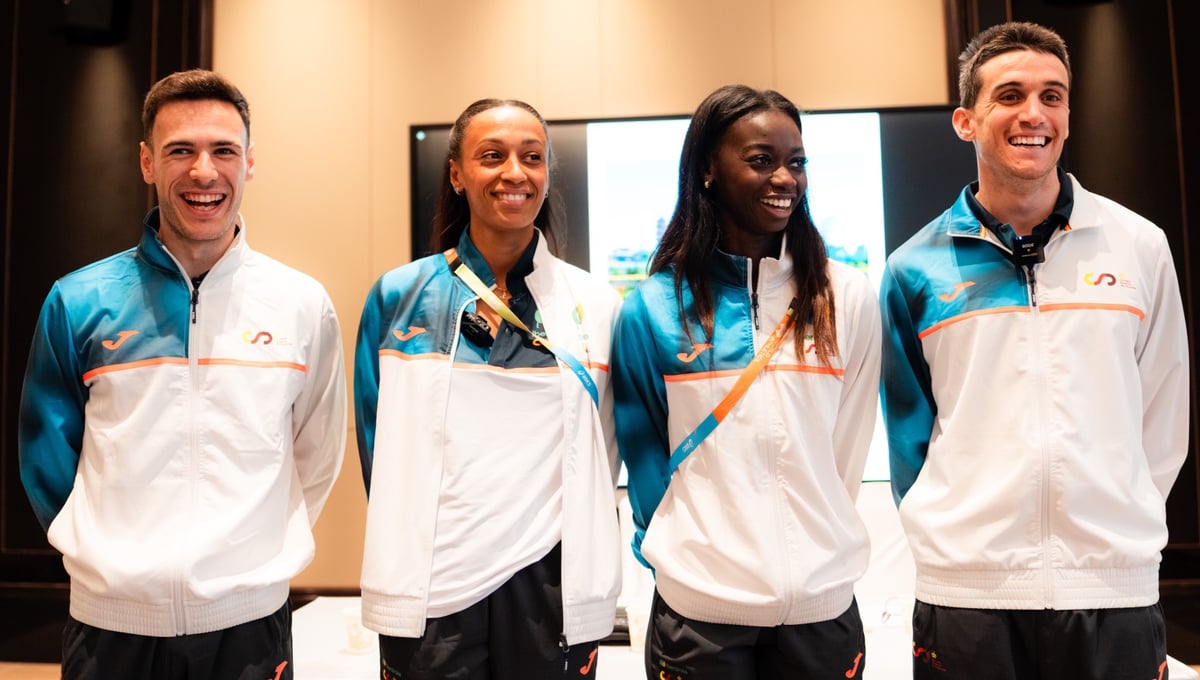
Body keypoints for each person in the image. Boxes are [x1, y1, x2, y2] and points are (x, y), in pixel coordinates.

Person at [880, 21, 1189, 680]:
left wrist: (1119, 517)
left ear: (1068, 117)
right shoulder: (913, 268)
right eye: (1010, 95)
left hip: (1113, 587)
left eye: (1052, 96)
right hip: (967, 594)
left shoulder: (1138, 246)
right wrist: (954, 538)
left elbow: (1163, 414)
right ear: (966, 121)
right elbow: (908, 439)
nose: (1034, 114)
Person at [17, 69, 347, 680]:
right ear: (147, 162)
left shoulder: (301, 304)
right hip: (110, 625)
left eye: (224, 150)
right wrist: (106, 559)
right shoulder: (78, 300)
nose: (203, 171)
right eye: (180, 151)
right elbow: (46, 454)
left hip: (250, 622)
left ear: (249, 163)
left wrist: (254, 553)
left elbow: (317, 451)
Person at [611, 84, 882, 680]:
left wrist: (817, 540)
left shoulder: (846, 296)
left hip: (822, 605)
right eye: (761, 160)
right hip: (700, 610)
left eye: (796, 161)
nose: (785, 178)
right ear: (708, 169)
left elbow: (846, 447)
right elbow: (646, 459)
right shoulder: (652, 308)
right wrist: (687, 557)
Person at [354, 98, 623, 679]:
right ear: (457, 174)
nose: (514, 173)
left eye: (532, 157)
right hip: (432, 587)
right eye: (492, 156)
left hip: (551, 585)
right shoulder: (398, 296)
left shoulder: (595, 304)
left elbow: (605, 447)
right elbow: (378, 450)